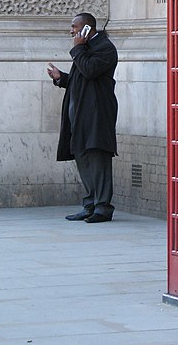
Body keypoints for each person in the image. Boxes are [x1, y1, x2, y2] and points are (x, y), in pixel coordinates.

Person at [47, 12, 118, 223]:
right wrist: (62, 79)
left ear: (88, 29)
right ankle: (89, 204)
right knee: (83, 158)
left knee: (97, 158)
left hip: (97, 115)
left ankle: (103, 208)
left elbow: (90, 71)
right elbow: (81, 81)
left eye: (75, 27)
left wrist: (77, 49)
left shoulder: (105, 48)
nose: (72, 31)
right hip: (78, 115)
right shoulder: (84, 50)